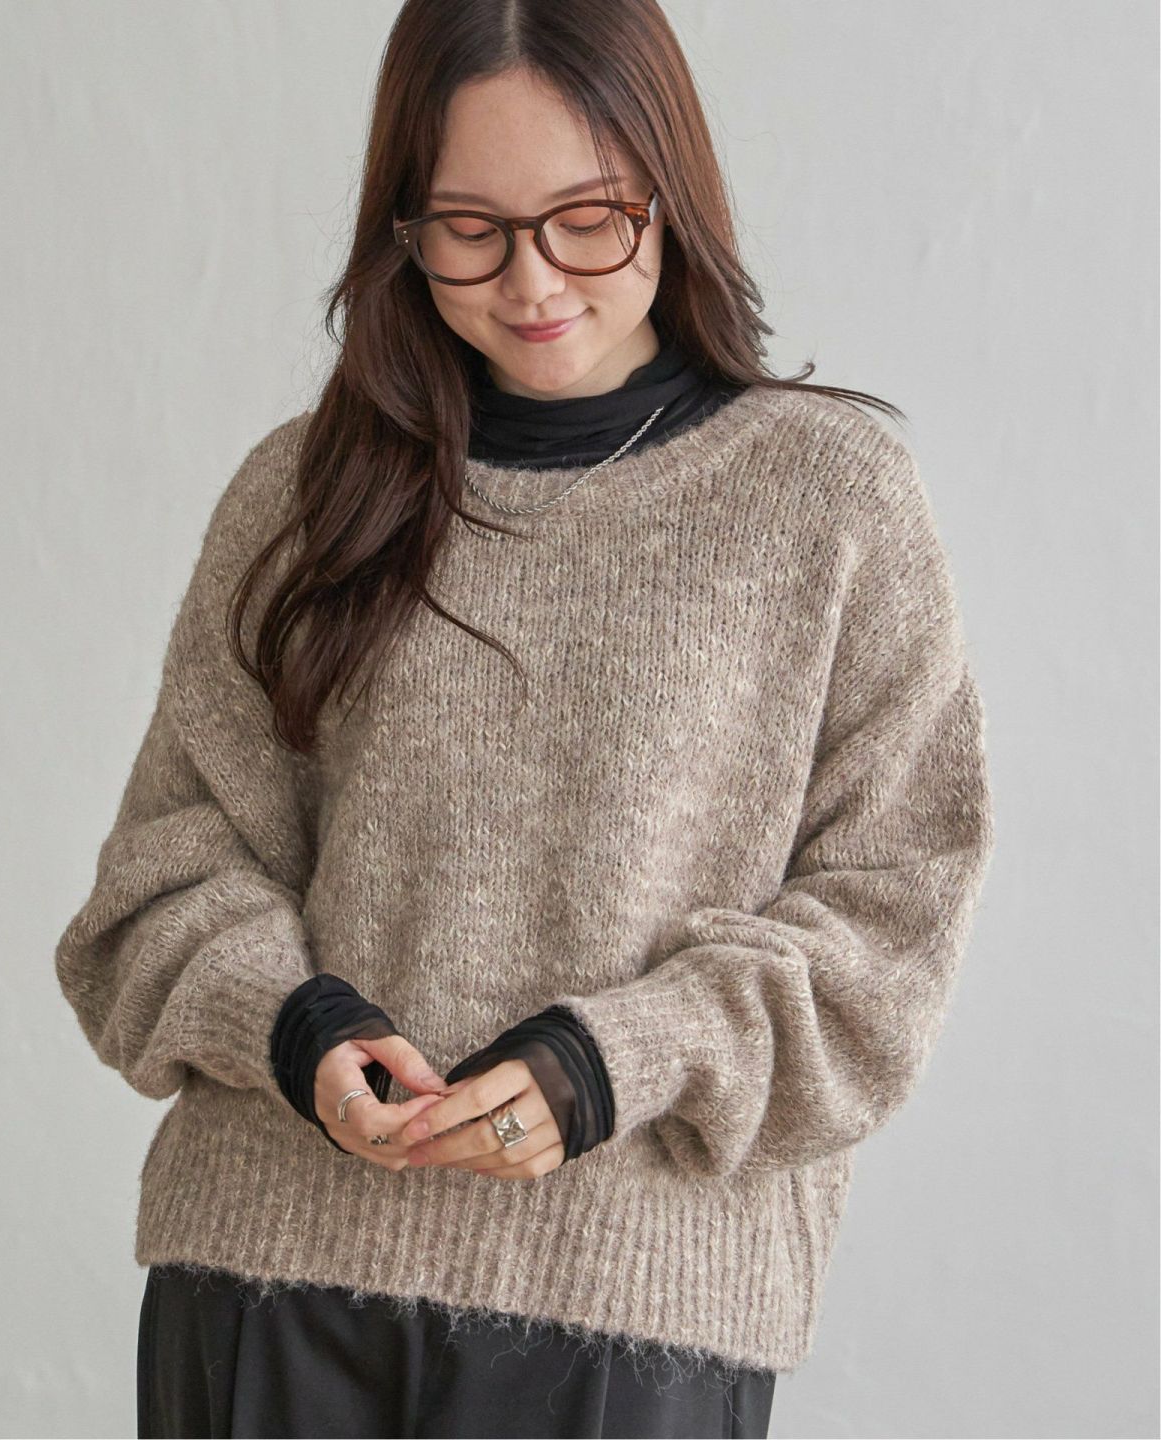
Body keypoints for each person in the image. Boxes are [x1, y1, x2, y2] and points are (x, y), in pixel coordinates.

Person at [54, 3, 996, 1437]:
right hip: (269, 1276)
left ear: (671, 194)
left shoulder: (828, 500)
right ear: (403, 227)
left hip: (636, 1312)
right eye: (470, 229)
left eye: (587, 219)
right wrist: (300, 1030)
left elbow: (890, 924)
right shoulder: (303, 495)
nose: (532, 278)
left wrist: (608, 1066)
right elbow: (161, 884)